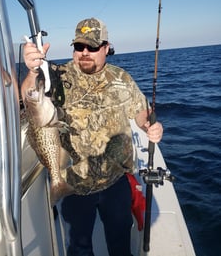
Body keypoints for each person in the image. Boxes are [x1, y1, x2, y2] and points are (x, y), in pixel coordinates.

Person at [21, 17, 163, 256]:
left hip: (115, 181)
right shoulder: (57, 75)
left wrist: (150, 124)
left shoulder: (121, 78)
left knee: (120, 243)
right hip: (74, 183)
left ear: (106, 48)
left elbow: (141, 112)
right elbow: (28, 95)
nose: (85, 52)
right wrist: (33, 69)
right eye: (79, 47)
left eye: (92, 47)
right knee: (80, 247)